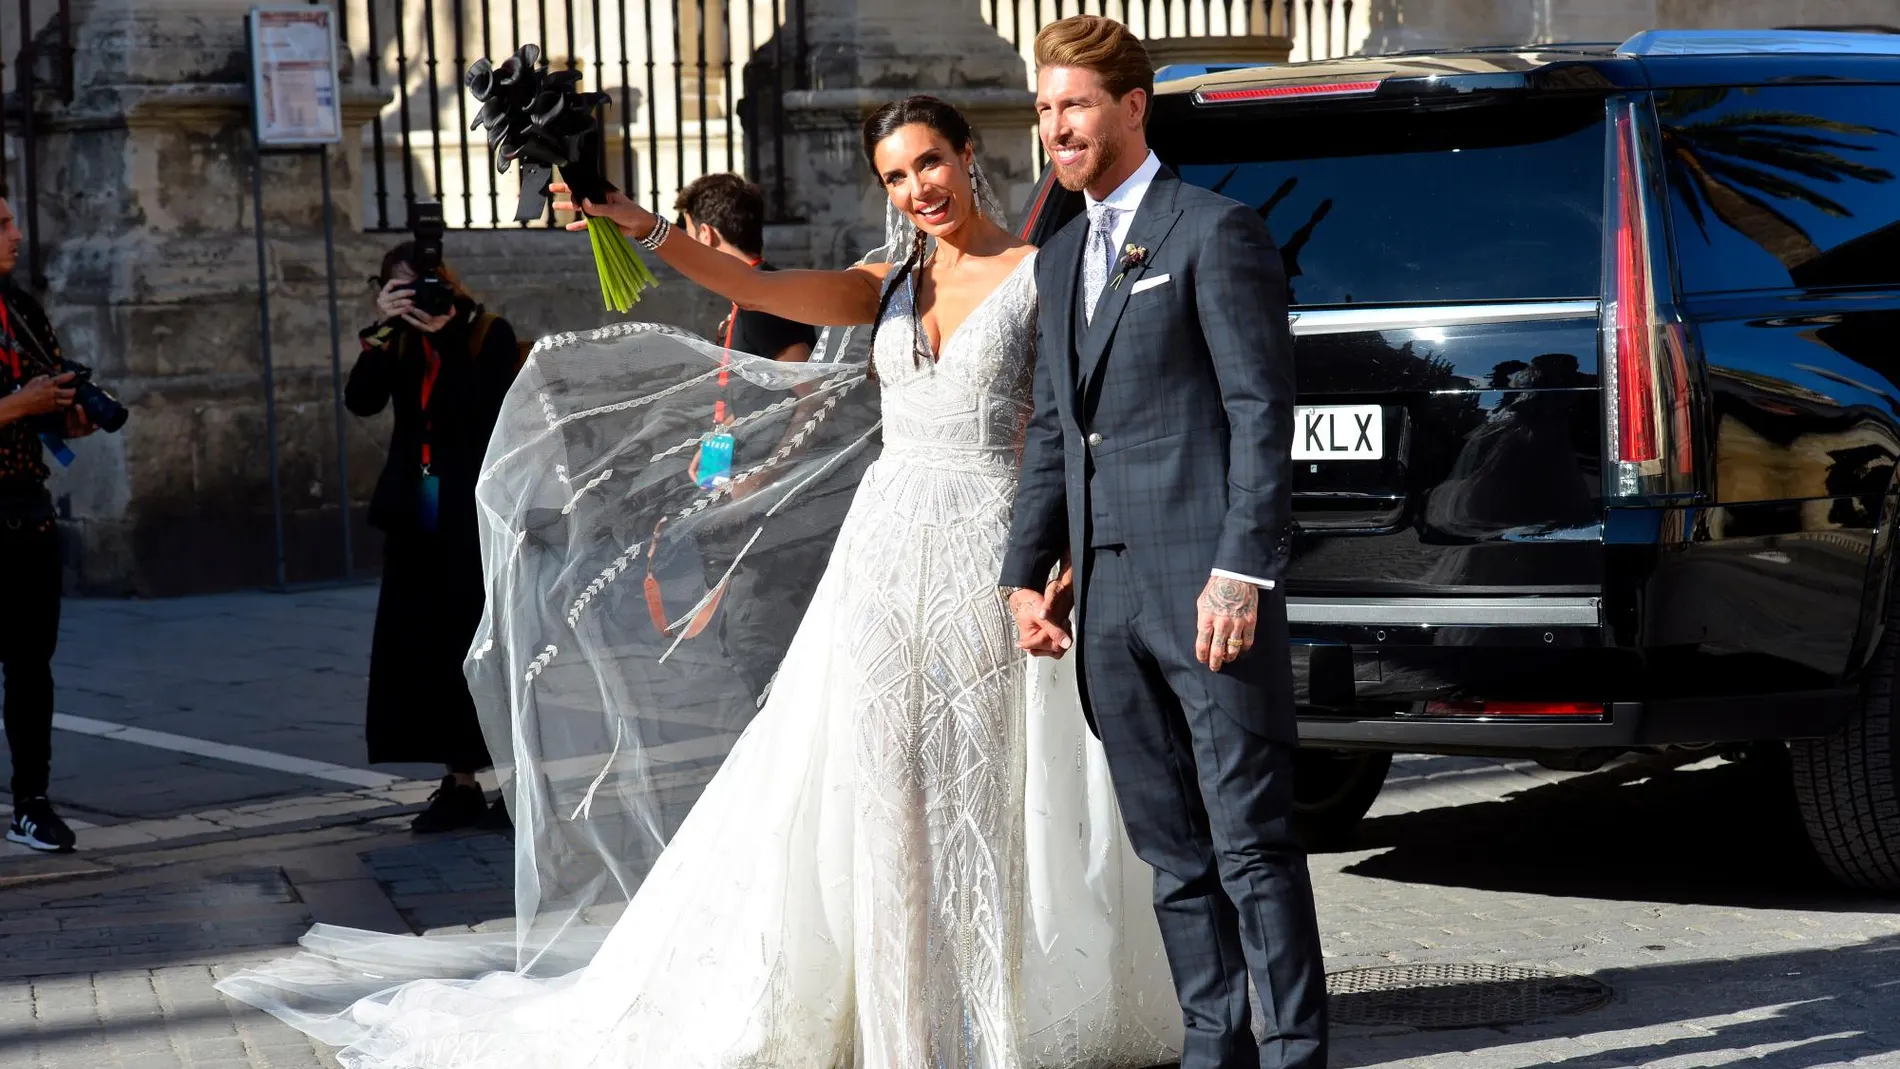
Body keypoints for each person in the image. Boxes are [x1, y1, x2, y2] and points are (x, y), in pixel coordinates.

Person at [218, 95, 1182, 1068]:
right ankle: (908, 1042)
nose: (917, 189)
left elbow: (1072, 423)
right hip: (883, 562)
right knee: (886, 807)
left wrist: (1055, 556)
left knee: (979, 802)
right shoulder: (882, 281)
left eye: (929, 162)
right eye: (894, 174)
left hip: (988, 555)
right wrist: (635, 222)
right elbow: (746, 283)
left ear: (968, 156)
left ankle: (995, 1034)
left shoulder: (1042, 273)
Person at [1001, 16, 1328, 1069]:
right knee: (1170, 854)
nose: (1058, 126)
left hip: (1206, 594)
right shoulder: (1056, 262)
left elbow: (1257, 415)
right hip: (1103, 604)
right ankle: (1210, 1044)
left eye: (1077, 104)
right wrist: (1023, 573)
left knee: (1248, 843)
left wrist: (1242, 568)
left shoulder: (1211, 229)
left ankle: (1292, 1053)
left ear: (1133, 106)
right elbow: (1055, 429)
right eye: (1046, 108)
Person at [348, 244, 520, 833]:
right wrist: (379, 330)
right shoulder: (392, 339)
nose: (416, 301)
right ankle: (460, 780)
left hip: (473, 513)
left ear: (446, 283)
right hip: (416, 513)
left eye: (421, 287)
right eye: (399, 290)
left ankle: (517, 781)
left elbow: (486, 410)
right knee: (425, 649)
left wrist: (446, 337)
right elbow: (361, 400)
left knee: (484, 644)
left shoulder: (486, 333)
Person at [0, 198, 91, 854]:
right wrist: (15, 405)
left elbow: (46, 392)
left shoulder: (22, 309)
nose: (17, 234)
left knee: (32, 666)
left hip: (26, 510)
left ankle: (31, 800)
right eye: (1, 223)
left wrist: (67, 412)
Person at [675, 172, 816, 363]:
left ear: (707, 235)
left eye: (691, 236)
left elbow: (813, 390)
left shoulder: (761, 302)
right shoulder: (755, 290)